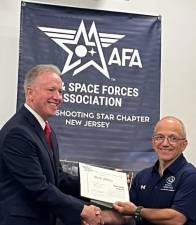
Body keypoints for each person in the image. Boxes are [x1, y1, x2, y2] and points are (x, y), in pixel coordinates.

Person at [0, 64, 103, 225]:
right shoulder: (18, 133)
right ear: (30, 93)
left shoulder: (46, 130)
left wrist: (99, 185)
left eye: (60, 91)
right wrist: (82, 210)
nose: (58, 97)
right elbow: (39, 188)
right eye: (51, 90)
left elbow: (58, 178)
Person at [113, 116, 196, 225]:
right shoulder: (141, 177)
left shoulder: (190, 176)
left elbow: (177, 219)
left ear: (184, 145)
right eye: (160, 137)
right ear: (153, 142)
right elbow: (128, 216)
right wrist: (95, 215)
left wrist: (137, 211)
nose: (165, 143)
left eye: (173, 138)